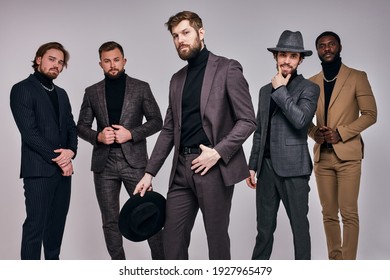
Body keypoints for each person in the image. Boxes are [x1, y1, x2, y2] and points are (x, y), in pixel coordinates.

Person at [134, 11, 256, 260]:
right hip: (181, 170)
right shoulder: (176, 80)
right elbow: (169, 129)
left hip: (212, 166)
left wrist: (218, 152)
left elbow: (248, 120)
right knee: (172, 241)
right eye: (175, 36)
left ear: (201, 33)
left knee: (217, 240)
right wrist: (149, 173)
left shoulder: (227, 68)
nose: (180, 40)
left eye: (186, 33)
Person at [77, 41, 164, 260]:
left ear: (124, 61)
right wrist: (97, 136)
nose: (112, 65)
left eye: (116, 60)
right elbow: (81, 127)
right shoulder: (91, 92)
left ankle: (163, 267)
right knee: (110, 221)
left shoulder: (141, 87)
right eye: (107, 61)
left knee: (149, 214)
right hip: (103, 165)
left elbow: (157, 121)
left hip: (134, 162)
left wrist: (131, 134)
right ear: (100, 64)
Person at [246, 30, 320, 260]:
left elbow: (300, 121)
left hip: (294, 169)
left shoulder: (309, 88)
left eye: (293, 56)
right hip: (266, 169)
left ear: (300, 60)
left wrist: (280, 90)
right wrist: (252, 164)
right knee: (264, 231)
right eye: (283, 55)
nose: (287, 60)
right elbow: (260, 130)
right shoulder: (263, 91)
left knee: (299, 229)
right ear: (275, 57)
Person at [308, 31, 377, 260]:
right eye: (322, 45)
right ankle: (335, 264)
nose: (327, 48)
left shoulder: (357, 77)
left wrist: (341, 133)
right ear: (317, 50)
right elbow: (301, 118)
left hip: (348, 157)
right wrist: (314, 132)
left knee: (349, 213)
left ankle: (348, 267)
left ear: (339, 47)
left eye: (331, 44)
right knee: (328, 214)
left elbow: (370, 114)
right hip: (322, 158)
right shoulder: (310, 83)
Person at [10, 42, 78, 260]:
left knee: (56, 229)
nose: (56, 65)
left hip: (63, 174)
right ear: (38, 59)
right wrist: (62, 159)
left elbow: (70, 127)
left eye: (60, 62)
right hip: (38, 171)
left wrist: (72, 152)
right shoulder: (21, 89)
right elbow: (30, 133)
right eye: (52, 59)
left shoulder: (62, 94)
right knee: (35, 228)